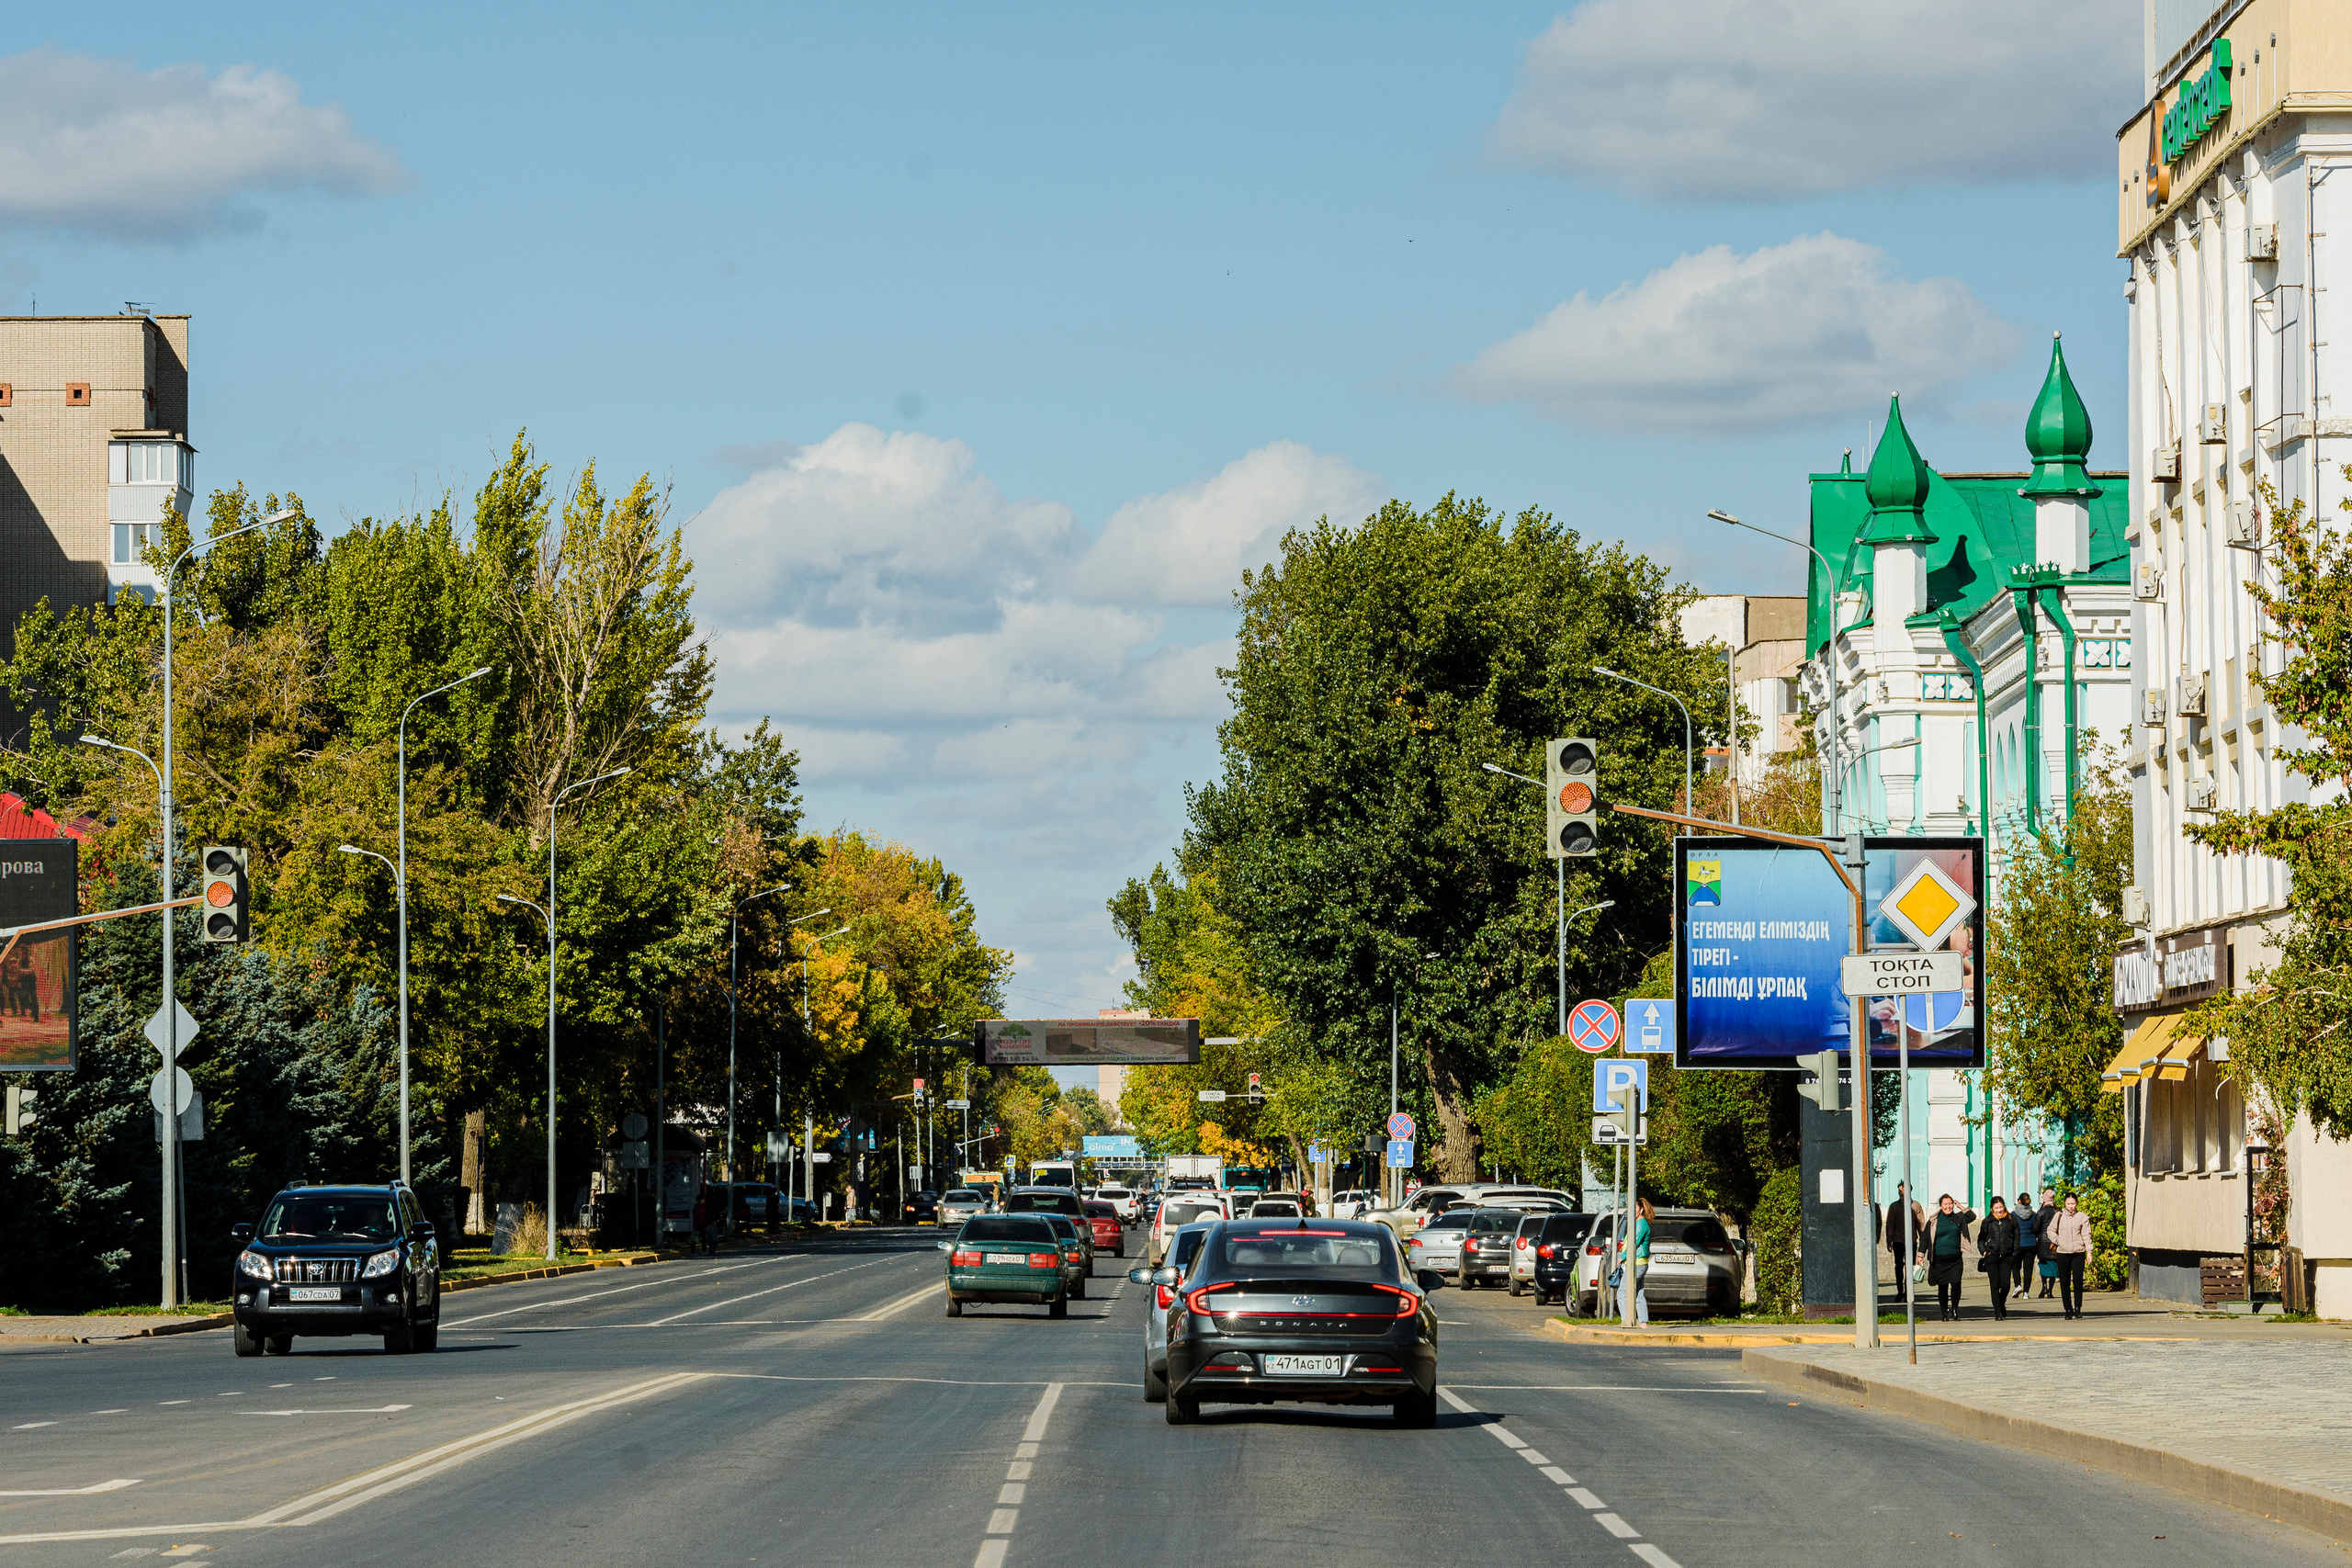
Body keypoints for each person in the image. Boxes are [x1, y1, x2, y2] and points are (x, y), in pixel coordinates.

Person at [1924, 1193, 1974, 1320]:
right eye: (1945, 1204)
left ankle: (1955, 1310)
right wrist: (1920, 1255)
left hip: (1955, 1259)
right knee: (1943, 1286)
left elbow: (1972, 1216)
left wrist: (1960, 1206)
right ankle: (1944, 1312)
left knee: (1956, 1284)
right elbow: (1925, 1238)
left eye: (1950, 1204)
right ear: (1941, 1206)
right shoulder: (1933, 1220)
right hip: (1939, 1259)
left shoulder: (1959, 1217)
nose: (1948, 1206)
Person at [2048, 1191, 2094, 1318]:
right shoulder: (2058, 1216)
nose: (2071, 1206)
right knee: (2064, 1282)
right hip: (2063, 1252)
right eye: (2068, 1203)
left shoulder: (2082, 1217)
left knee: (2078, 1280)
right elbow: (2050, 1231)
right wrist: (2058, 1241)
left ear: (2077, 1203)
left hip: (2078, 1252)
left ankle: (2078, 1308)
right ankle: (2068, 1309)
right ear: (2064, 1203)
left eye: (2073, 1203)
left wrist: (2089, 1251)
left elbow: (2086, 1235)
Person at [1976, 1197, 2020, 1319]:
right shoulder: (1987, 1221)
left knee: (2006, 1285)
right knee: (1995, 1285)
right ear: (1992, 1209)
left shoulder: (2011, 1219)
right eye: (1996, 1208)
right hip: (1992, 1257)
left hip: (2007, 1256)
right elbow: (1981, 1239)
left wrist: (2015, 1252)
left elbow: (2017, 1236)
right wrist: (1984, 1251)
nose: (1999, 1210)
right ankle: (1997, 1311)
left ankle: (2002, 1303)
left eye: (2001, 1207)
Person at [1883, 1184, 1925, 1302]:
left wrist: (1923, 1242)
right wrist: (1889, 1241)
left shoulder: (1915, 1206)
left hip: (1911, 1241)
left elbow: (1921, 1224)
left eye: (1903, 1189)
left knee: (1910, 1267)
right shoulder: (1894, 1207)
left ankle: (1908, 1291)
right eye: (1900, 1190)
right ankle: (1900, 1291)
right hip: (1898, 1241)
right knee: (1898, 1266)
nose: (1901, 1192)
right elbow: (1890, 1224)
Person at [1622, 1196, 1654, 1325]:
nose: (1631, 1211)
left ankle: (1626, 1321)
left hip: (1637, 1263)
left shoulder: (1641, 1224)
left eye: (1633, 1208)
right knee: (1639, 1294)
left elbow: (1634, 1244)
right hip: (1638, 1263)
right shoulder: (1637, 1224)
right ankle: (1643, 1323)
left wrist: (1621, 1258)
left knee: (1622, 1292)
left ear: (1640, 1210)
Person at [2034, 1189, 2061, 1298]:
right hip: (2054, 1241)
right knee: (2053, 1265)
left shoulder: (2041, 1212)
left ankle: (2044, 1286)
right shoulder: (2057, 1211)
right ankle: (2050, 1291)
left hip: (2043, 1242)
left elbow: (2036, 1228)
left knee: (2043, 1264)